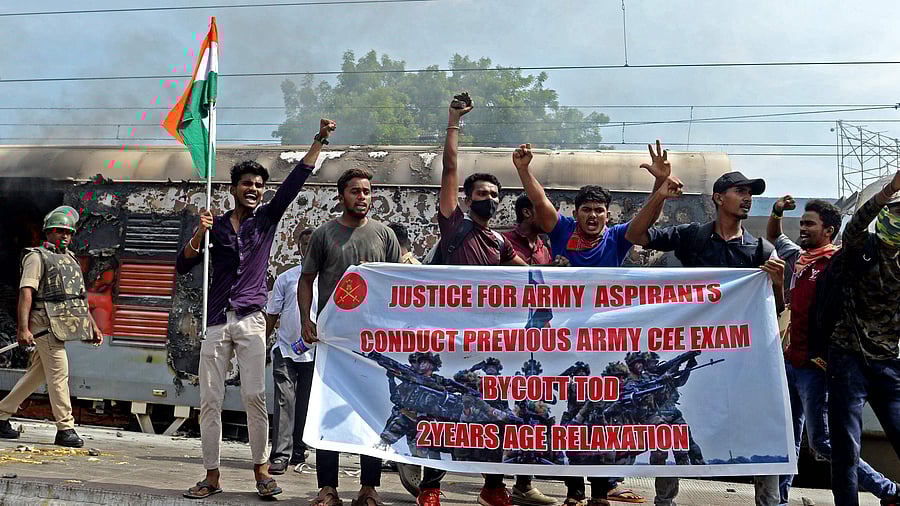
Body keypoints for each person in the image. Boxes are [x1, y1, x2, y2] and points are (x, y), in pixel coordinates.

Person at [178, 119, 336, 500]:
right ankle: (211, 475)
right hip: (215, 321)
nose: (253, 189)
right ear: (233, 189)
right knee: (210, 401)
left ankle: (261, 471)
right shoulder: (214, 225)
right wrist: (200, 233)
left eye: (259, 185)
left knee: (254, 398)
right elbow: (184, 265)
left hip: (251, 320)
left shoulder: (266, 220)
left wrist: (319, 140)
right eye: (247, 184)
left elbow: (296, 181)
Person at [514, 141, 677, 506]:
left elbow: (643, 224)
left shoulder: (618, 237)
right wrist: (525, 171)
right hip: (556, 344)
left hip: (601, 345)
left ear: (608, 214)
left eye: (599, 210)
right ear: (576, 212)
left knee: (601, 417)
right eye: (586, 209)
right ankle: (572, 491)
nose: (592, 216)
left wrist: (660, 190)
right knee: (565, 414)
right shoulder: (562, 231)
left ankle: (601, 491)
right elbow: (540, 204)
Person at [625, 170, 786, 506]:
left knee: (762, 426)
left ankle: (769, 501)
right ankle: (664, 500)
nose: (747, 198)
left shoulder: (760, 249)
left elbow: (774, 310)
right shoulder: (691, 237)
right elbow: (635, 234)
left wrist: (778, 285)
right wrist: (660, 194)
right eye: (739, 191)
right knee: (672, 426)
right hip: (695, 352)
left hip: (742, 360)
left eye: (750, 193)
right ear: (717, 197)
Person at [416, 94, 545, 506]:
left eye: (493, 193)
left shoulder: (498, 241)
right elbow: (451, 167)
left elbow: (530, 274)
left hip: (493, 341)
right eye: (479, 193)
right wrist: (453, 120)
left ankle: (493, 485)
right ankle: (430, 486)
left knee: (496, 407)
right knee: (444, 409)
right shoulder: (455, 224)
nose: (486, 198)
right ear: (467, 199)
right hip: (454, 335)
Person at [767, 196, 899, 505]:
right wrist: (776, 211)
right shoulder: (798, 257)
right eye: (801, 223)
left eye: (809, 224)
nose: (802, 228)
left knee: (826, 443)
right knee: (786, 439)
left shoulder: (839, 258)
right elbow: (775, 235)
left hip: (822, 366)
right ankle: (779, 499)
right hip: (793, 362)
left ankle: (887, 489)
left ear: (830, 230)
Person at [299, 167, 401, 506]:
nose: (363, 197)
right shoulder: (324, 235)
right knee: (329, 411)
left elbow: (395, 285)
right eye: (356, 191)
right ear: (342, 195)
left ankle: (369, 489)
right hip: (334, 340)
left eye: (367, 191)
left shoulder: (385, 235)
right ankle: (327, 488)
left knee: (371, 411)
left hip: (372, 341)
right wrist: (306, 320)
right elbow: (306, 279)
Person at [0, 206, 103, 448]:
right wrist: (23, 329)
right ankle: (65, 428)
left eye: (68, 232)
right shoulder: (36, 257)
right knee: (59, 373)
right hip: (44, 322)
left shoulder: (69, 259)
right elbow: (26, 292)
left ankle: (2, 414)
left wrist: (92, 326)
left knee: (37, 375)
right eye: (58, 231)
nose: (64, 236)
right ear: (48, 232)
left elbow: (78, 298)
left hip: (61, 323)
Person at [827, 170, 900, 506]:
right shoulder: (863, 248)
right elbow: (853, 226)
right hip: (849, 359)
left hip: (888, 364)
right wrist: (889, 191)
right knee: (846, 450)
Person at [265, 227, 319, 474]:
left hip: (315, 353)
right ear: (298, 247)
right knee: (285, 400)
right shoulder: (286, 278)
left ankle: (299, 450)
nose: (308, 248)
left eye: (312, 244)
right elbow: (271, 315)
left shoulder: (328, 280)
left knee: (306, 403)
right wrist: (261, 345)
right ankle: (280, 455)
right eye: (304, 244)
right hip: (285, 349)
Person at [503, 194, 552, 267]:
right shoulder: (503, 242)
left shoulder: (544, 249)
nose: (550, 217)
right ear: (526, 212)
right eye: (544, 211)